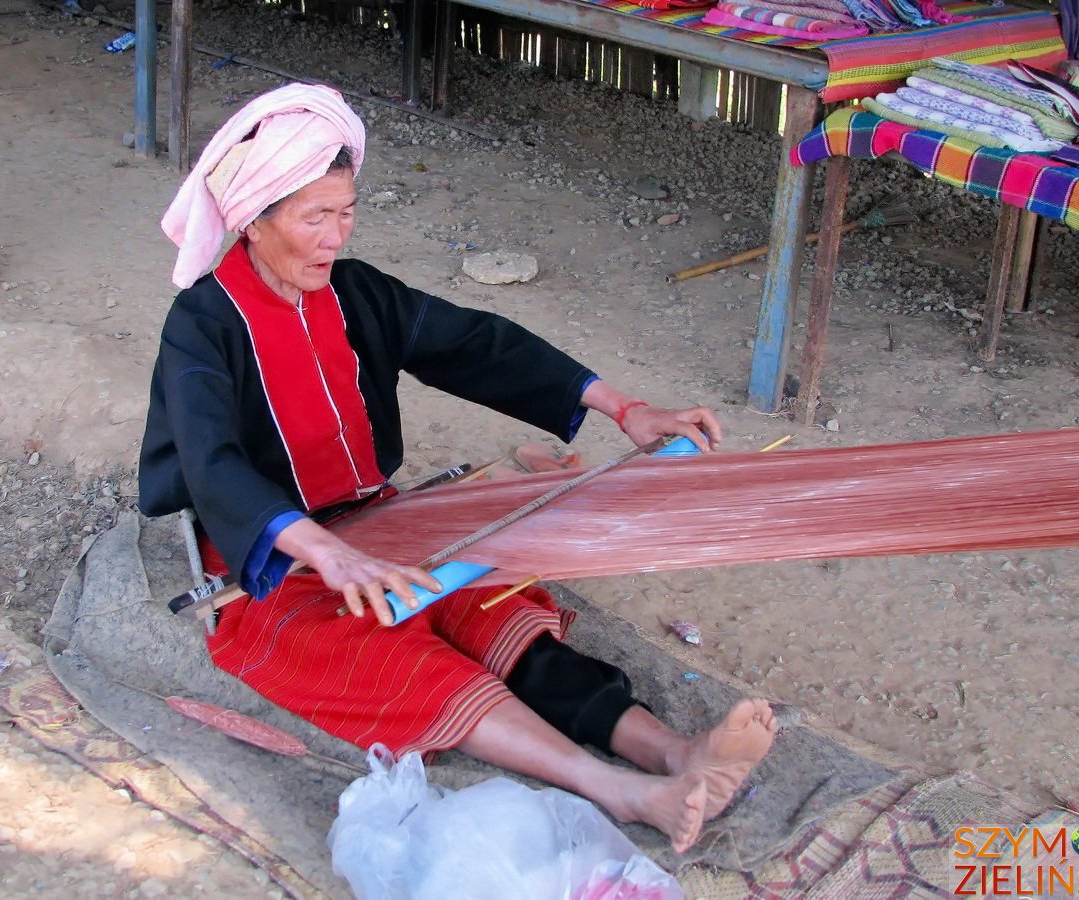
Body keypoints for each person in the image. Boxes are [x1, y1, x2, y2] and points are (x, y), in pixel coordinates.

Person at [139, 83, 776, 854]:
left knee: (491, 610)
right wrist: (326, 551)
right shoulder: (203, 326)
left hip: (383, 521)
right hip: (274, 562)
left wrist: (626, 409)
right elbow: (212, 464)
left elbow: (475, 344)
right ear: (254, 217)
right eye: (314, 218)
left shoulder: (355, 293)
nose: (333, 238)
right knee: (397, 653)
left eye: (345, 213)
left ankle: (674, 754)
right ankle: (624, 790)